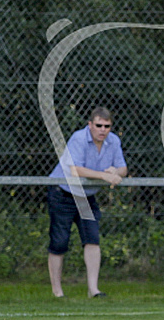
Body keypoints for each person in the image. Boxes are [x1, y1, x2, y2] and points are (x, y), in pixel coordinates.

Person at [47, 107, 128, 298]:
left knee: (92, 239)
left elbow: (123, 168)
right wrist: (104, 176)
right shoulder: (78, 138)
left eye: (107, 126)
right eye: (98, 125)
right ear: (90, 125)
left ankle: (93, 290)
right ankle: (57, 293)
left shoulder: (114, 141)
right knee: (59, 242)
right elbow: (75, 170)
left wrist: (115, 172)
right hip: (63, 193)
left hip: (86, 196)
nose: (102, 129)